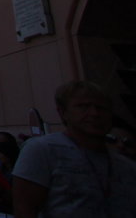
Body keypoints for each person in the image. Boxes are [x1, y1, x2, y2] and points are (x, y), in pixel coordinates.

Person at [12, 80, 136, 217]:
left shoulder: (127, 165)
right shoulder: (42, 150)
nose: (94, 113)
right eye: (83, 106)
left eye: (101, 108)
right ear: (63, 112)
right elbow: (24, 209)